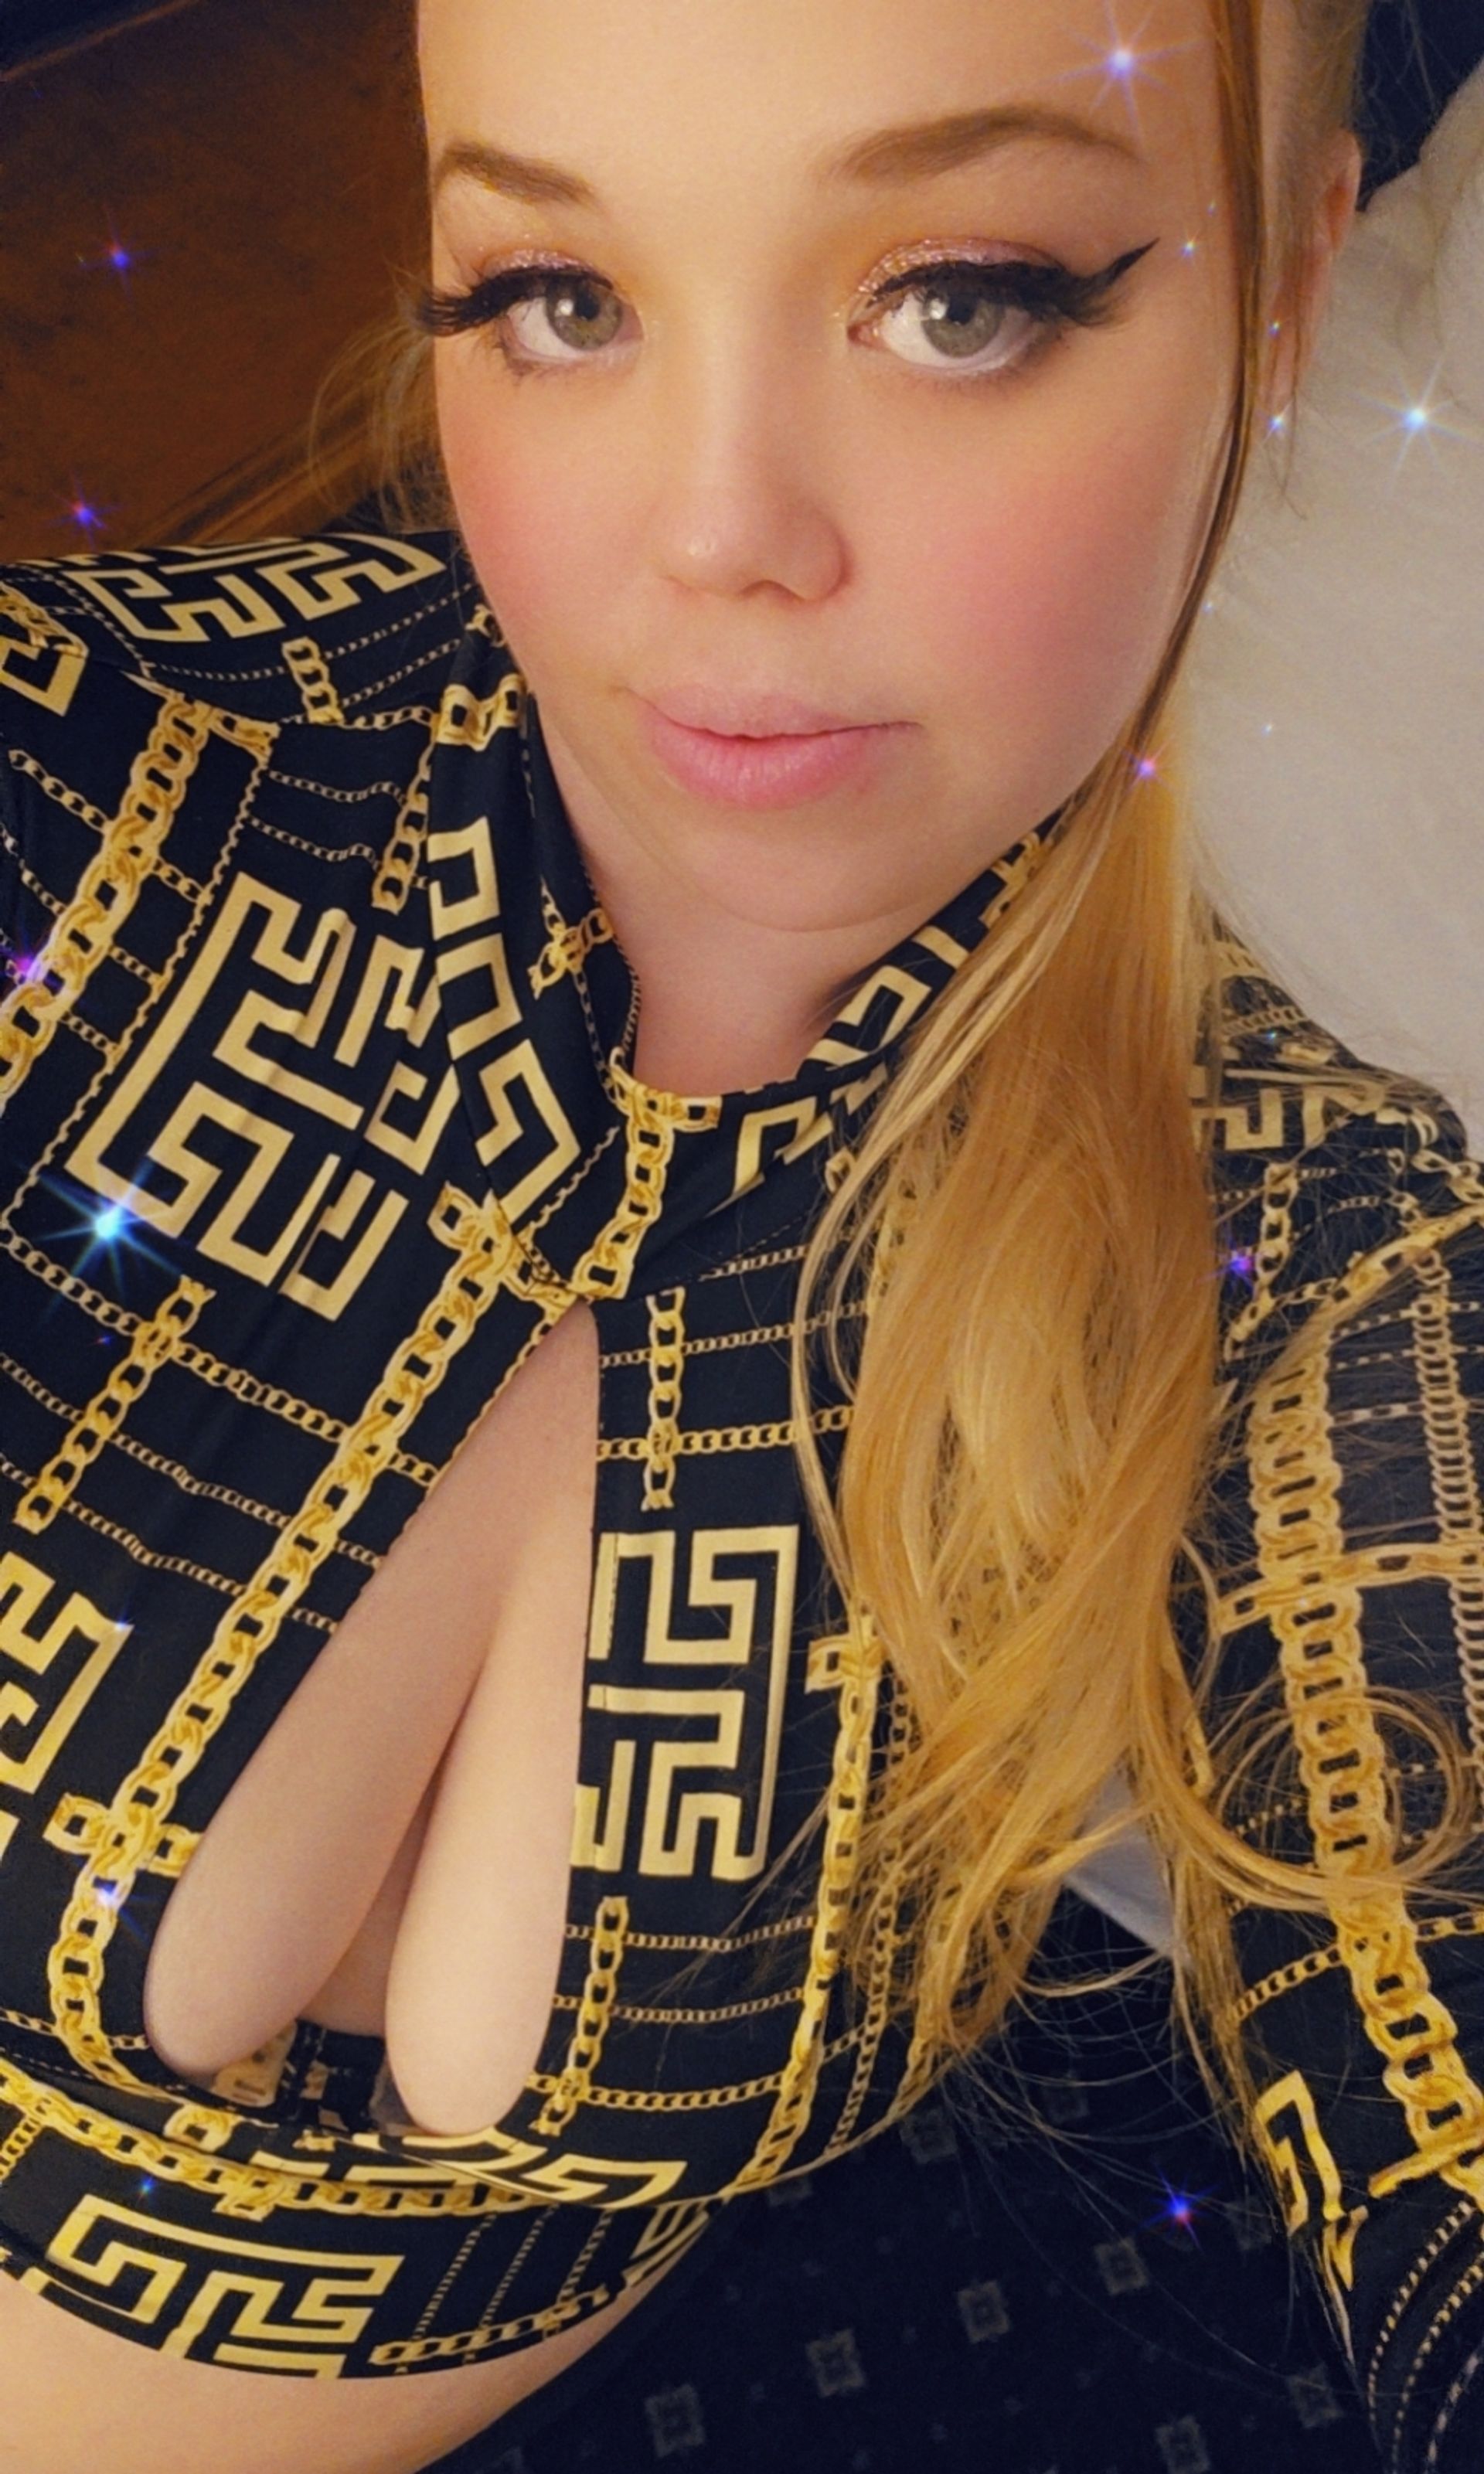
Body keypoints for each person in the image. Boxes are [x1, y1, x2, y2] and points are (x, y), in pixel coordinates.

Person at [0, 2, 1481, 2469]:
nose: (715, 535)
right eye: (561, 298)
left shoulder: (1295, 1230)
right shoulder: (104, 800)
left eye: (960, 297)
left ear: (1289, 291)